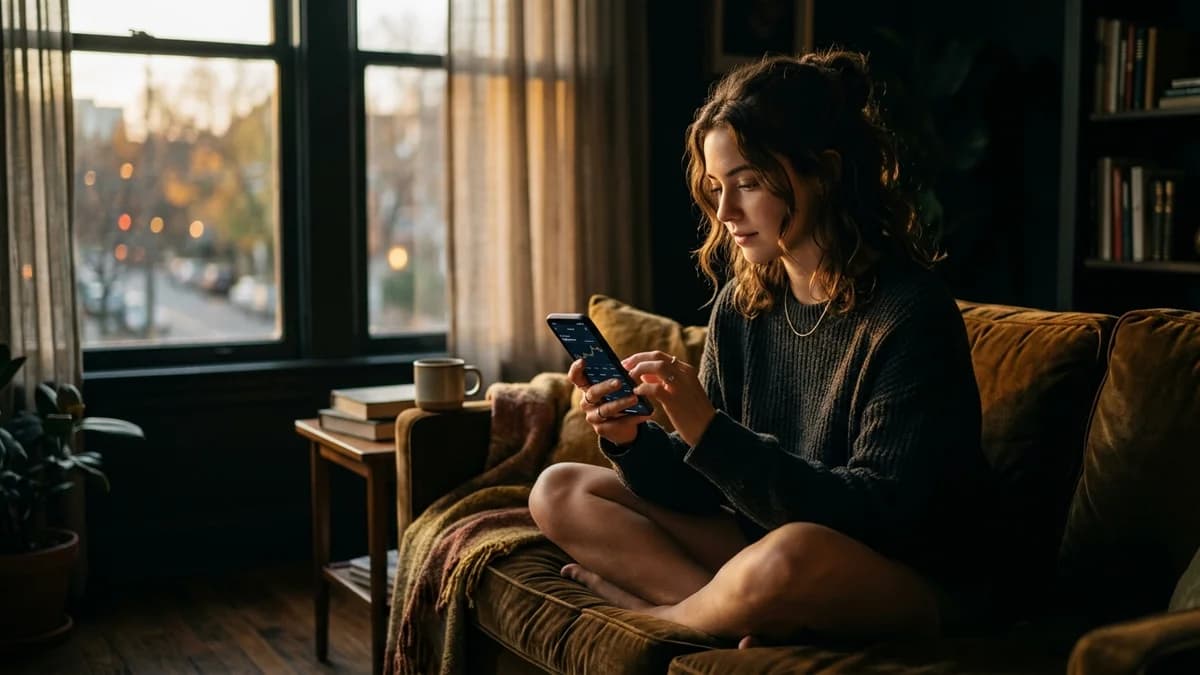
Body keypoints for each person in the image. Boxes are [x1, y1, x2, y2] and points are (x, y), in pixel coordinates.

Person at [528, 48, 996, 647]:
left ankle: (669, 618)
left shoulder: (909, 313)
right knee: (561, 488)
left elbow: (886, 519)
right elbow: (711, 488)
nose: (725, 212)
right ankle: (737, 614)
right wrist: (632, 442)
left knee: (793, 553)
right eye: (716, 187)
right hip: (764, 540)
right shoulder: (744, 308)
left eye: (747, 183)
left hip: (906, 575)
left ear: (822, 173)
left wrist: (709, 432)